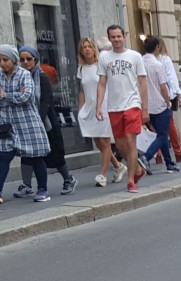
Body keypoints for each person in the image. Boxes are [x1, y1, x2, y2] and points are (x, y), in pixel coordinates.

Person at [14, 46, 76, 197]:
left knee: (54, 152)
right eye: (22, 60)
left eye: (29, 59)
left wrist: (38, 120)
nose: (26, 62)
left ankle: (68, 179)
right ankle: (27, 185)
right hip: (26, 122)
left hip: (45, 122)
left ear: (35, 60)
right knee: (27, 153)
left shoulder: (41, 76)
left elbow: (46, 102)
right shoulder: (19, 77)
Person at [96, 24, 149, 193]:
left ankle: (131, 180)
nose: (116, 40)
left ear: (124, 36)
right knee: (119, 145)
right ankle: (138, 169)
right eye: (113, 37)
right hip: (114, 106)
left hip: (132, 104)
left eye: (119, 36)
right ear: (109, 38)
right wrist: (99, 106)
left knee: (130, 141)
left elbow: (142, 83)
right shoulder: (105, 58)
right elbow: (102, 83)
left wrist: (144, 108)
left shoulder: (135, 56)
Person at [0, 44, 51, 204]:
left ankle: (42, 189)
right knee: (3, 157)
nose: (2, 63)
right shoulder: (0, 76)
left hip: (27, 122)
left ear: (13, 60)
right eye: (0, 60)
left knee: (35, 156)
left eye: (5, 59)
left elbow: (26, 96)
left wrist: (5, 96)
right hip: (7, 123)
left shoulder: (24, 75)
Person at [77, 37, 125, 186]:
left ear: (94, 49)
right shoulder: (81, 68)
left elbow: (110, 85)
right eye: (84, 47)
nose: (86, 49)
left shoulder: (102, 65)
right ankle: (118, 166)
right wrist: (81, 109)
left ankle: (102, 175)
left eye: (89, 46)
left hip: (103, 106)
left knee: (105, 142)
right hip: (89, 108)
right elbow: (82, 91)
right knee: (98, 143)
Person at [139, 37, 177, 173]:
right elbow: (163, 87)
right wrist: (168, 101)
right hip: (160, 105)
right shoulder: (158, 65)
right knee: (162, 135)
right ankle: (146, 157)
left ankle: (169, 163)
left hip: (146, 106)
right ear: (157, 47)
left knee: (160, 134)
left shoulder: (139, 63)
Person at [156, 37, 181, 162]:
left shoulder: (145, 59)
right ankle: (177, 152)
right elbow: (171, 78)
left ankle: (157, 154)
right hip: (165, 95)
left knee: (155, 127)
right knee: (169, 124)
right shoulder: (165, 59)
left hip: (153, 96)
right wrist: (178, 94)